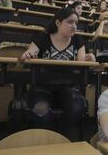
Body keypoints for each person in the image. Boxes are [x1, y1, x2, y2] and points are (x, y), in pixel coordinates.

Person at [21, 8, 95, 140]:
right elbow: (28, 55)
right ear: (58, 23)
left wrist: (90, 59)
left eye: (76, 23)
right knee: (41, 110)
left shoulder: (78, 39)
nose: (74, 26)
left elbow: (82, 63)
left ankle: (62, 138)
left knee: (78, 105)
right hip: (41, 87)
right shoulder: (42, 37)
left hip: (68, 87)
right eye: (70, 22)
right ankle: (51, 140)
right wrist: (28, 55)